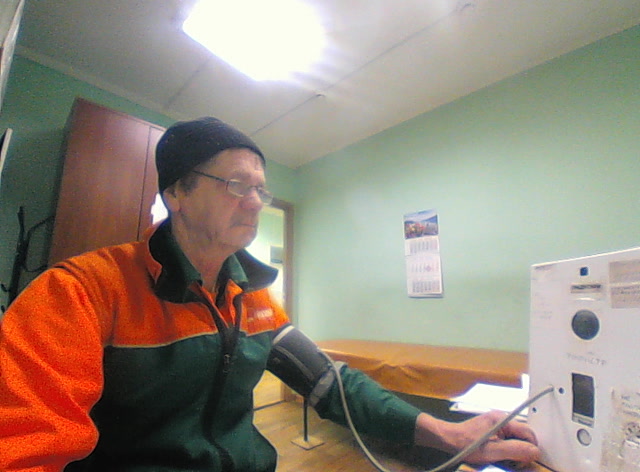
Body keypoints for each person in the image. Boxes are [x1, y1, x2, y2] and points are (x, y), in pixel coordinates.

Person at [0, 117, 539, 471]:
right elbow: (25, 447)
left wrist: (448, 433)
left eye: (261, 188)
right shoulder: (80, 292)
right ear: (177, 193)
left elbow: (331, 385)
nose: (256, 202)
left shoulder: (253, 299)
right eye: (237, 185)